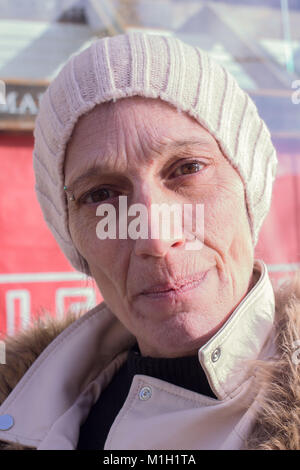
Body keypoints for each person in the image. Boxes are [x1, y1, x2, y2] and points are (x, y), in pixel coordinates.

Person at [0, 32, 299, 451]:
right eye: (101, 195)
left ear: (249, 187)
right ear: (73, 239)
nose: (155, 239)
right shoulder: (21, 409)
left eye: (188, 168)